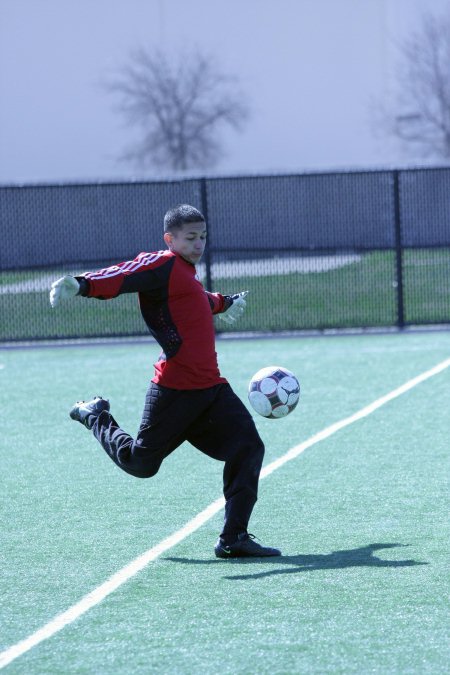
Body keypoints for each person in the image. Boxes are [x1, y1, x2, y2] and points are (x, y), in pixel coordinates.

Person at [50, 204, 281, 559]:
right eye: (190, 237)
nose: (198, 243)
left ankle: (233, 538)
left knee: (248, 447)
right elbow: (123, 275)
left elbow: (195, 302)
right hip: (174, 392)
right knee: (141, 464)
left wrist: (224, 302)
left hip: (212, 390)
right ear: (169, 239)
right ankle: (95, 414)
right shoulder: (162, 263)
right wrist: (82, 284)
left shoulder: (184, 273)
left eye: (203, 236)